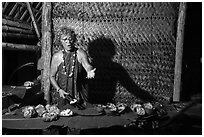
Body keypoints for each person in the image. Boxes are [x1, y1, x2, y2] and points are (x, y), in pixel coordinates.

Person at [50, 27, 96, 108]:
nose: (68, 42)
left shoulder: (80, 53)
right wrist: (59, 90)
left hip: (79, 93)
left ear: (74, 39)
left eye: (70, 39)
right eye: (65, 40)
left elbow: (87, 65)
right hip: (63, 94)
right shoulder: (57, 57)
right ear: (60, 41)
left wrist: (90, 70)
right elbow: (51, 76)